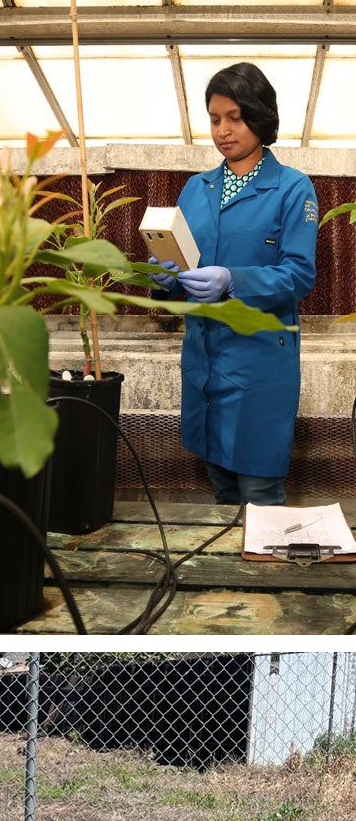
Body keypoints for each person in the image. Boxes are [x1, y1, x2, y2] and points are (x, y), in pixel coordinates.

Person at [149, 62, 318, 506]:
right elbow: (183, 269)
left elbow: (299, 274)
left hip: (259, 365)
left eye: (235, 118)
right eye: (215, 118)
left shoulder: (292, 189)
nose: (223, 130)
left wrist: (232, 280)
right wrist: (164, 276)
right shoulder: (195, 189)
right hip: (204, 361)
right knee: (222, 491)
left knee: (259, 495)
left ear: (260, 117)